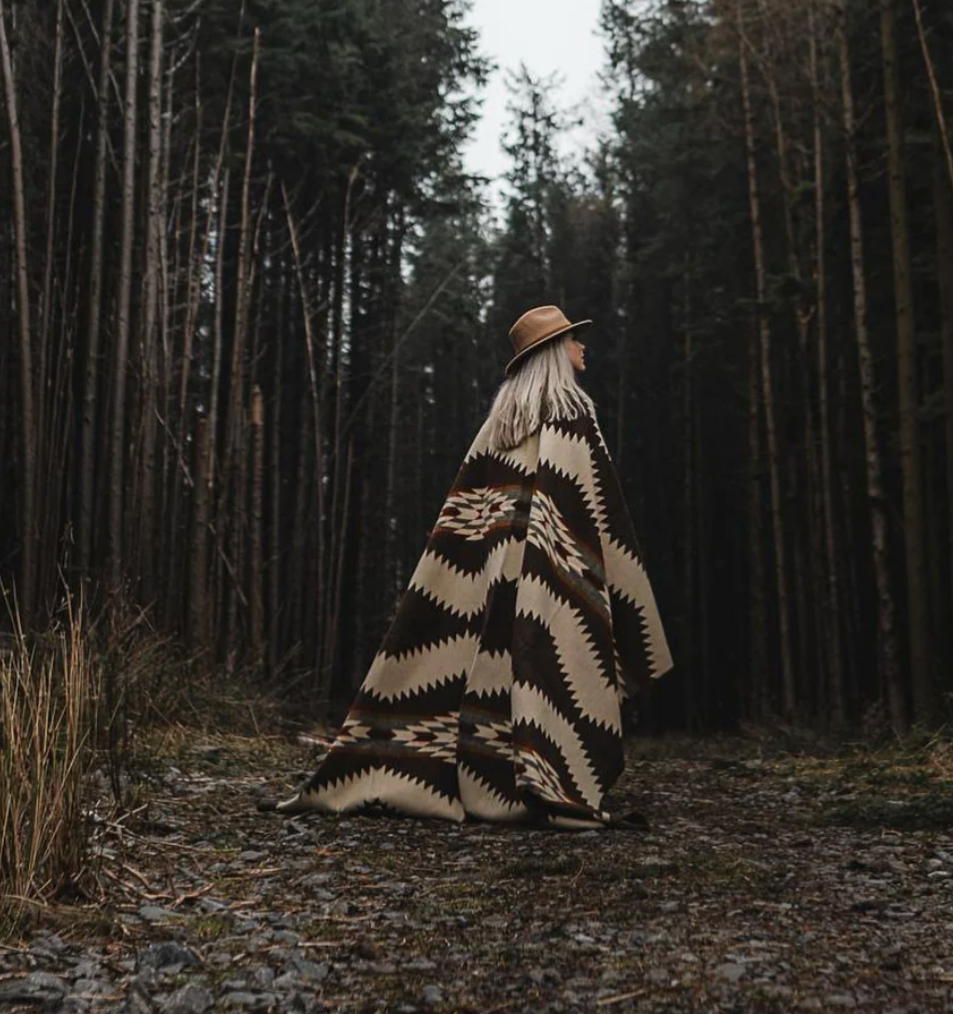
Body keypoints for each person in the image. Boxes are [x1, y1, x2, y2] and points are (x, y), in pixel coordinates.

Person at [270, 305, 672, 827]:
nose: (582, 347)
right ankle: (537, 773)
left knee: (494, 672)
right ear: (554, 354)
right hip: (549, 579)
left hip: (494, 577)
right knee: (539, 672)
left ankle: (488, 775)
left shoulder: (500, 424)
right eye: (574, 340)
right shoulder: (574, 412)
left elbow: (469, 513)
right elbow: (598, 513)